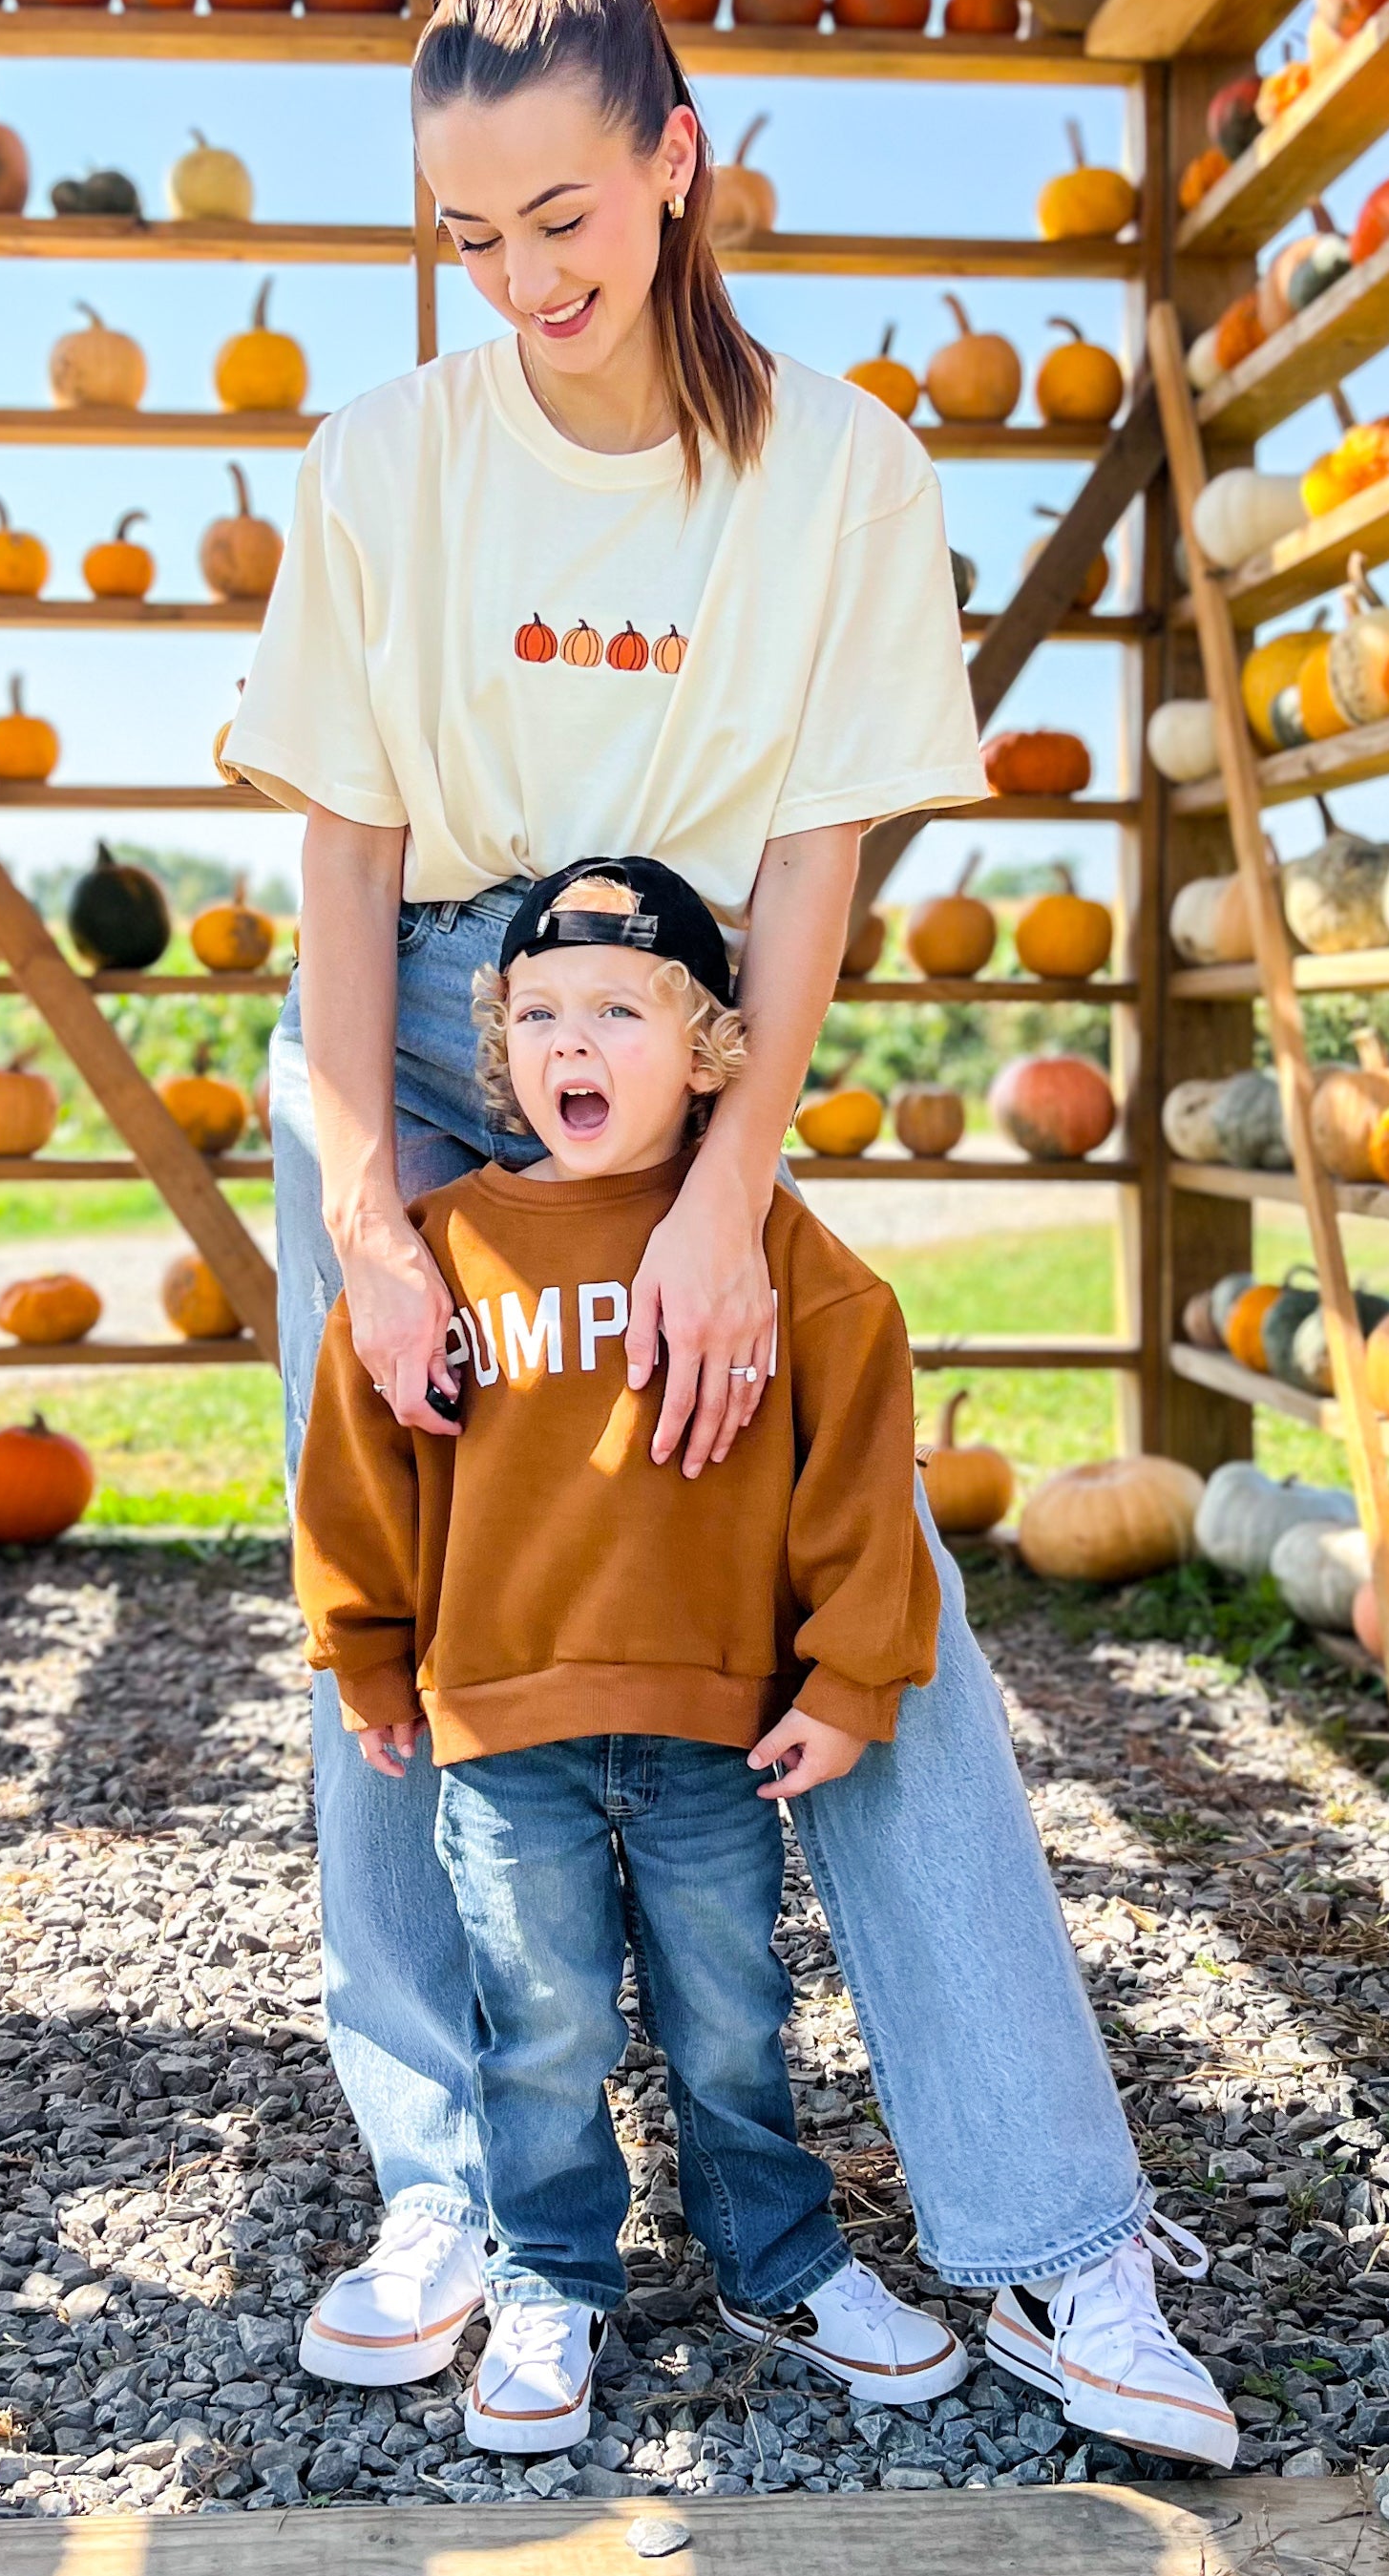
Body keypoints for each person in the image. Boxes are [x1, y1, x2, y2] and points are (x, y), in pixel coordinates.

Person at [221, 0, 1235, 2469]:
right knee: (405, 1592)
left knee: (849, 1575)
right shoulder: (386, 472)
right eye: (469, 235)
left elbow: (805, 888)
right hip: (434, 1038)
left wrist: (718, 1202)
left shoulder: (846, 476)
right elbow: (344, 882)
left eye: (564, 215)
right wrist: (359, 1206)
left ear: (679, 167)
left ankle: (1045, 2224)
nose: (523, 277)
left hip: (690, 1047)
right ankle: (450, 2184)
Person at [295, 857, 969, 2452]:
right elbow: (358, 1458)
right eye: (535, 1014)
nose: (568, 1042)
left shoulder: (777, 1260)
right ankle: (553, 2273)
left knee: (734, 2012)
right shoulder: (445, 1249)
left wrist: (850, 1674)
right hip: (502, 1729)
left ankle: (777, 2256)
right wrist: (371, 1653)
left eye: (616, 1008)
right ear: (499, 1049)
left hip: (711, 1727)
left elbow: (861, 1462)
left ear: (713, 1050)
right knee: (543, 2021)